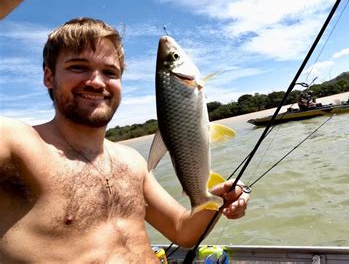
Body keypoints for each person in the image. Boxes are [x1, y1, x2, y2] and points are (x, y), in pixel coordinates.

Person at [0, 17, 250, 262]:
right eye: (78, 67)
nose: (97, 82)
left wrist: (219, 201)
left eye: (109, 72)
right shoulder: (16, 143)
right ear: (48, 77)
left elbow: (183, 231)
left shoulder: (131, 161)